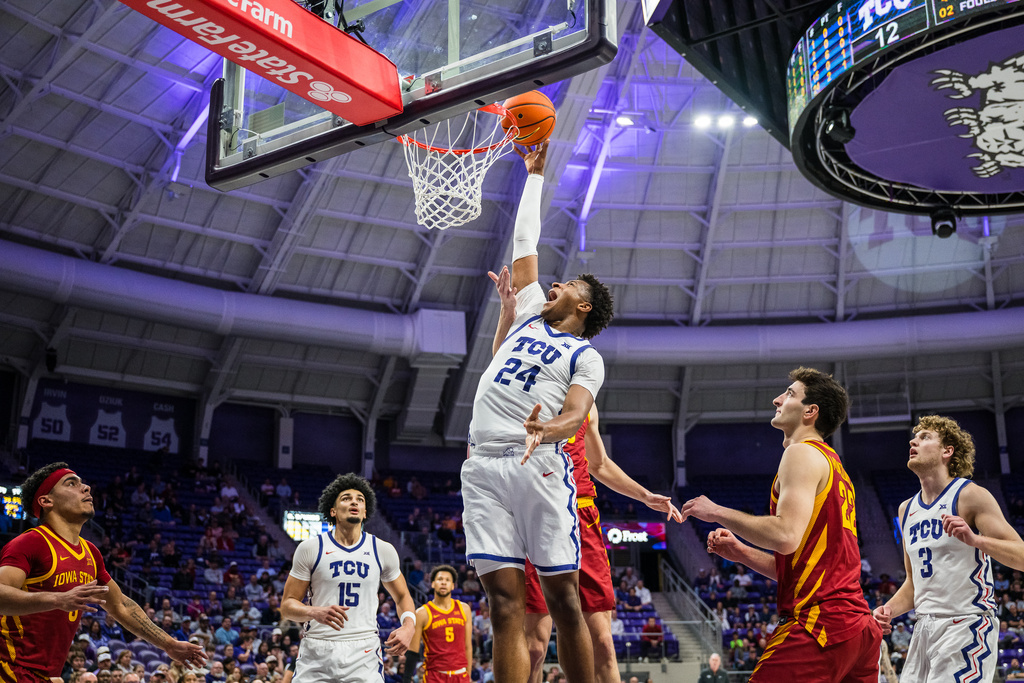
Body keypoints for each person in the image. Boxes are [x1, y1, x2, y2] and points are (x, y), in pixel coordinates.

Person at [461, 142, 615, 683]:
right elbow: (524, 240)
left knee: (564, 601)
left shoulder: (585, 355)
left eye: (566, 284)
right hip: (483, 467)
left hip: (541, 465)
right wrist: (534, 174)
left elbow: (576, 415)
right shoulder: (526, 313)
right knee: (504, 607)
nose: (553, 283)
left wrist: (546, 427)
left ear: (584, 305)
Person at [490, 294, 681, 683]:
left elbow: (600, 465)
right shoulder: (531, 379)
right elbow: (499, 365)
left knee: (603, 644)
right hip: (537, 508)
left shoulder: (585, 402)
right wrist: (506, 317)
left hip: (581, 512)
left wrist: (645, 496)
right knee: (534, 645)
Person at [681, 367, 881, 682]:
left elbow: (785, 536)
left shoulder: (801, 453)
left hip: (820, 623)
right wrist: (743, 553)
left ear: (810, 412)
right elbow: (801, 566)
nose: (777, 399)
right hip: (858, 629)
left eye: (789, 394)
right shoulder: (836, 467)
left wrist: (717, 510)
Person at [0, 462, 207, 681]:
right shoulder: (31, 543)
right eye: (71, 483)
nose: (86, 487)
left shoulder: (90, 553)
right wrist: (58, 599)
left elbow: (120, 605)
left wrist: (169, 644)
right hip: (8, 668)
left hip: (43, 675)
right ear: (46, 501)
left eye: (83, 483)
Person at [872, 415, 1024, 683]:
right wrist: (888, 610)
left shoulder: (969, 495)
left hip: (966, 623)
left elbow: (1021, 556)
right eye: (915, 437)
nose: (913, 440)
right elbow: (913, 584)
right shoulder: (906, 510)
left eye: (924, 437)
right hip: (923, 630)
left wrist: (977, 541)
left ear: (947, 451)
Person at [280, 473, 415, 683]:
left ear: (365, 512)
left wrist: (408, 626)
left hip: (364, 649)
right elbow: (287, 606)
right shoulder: (310, 548)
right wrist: (313, 611)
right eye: (346, 498)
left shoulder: (382, 549)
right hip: (318, 647)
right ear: (332, 511)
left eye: (360, 499)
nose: (354, 501)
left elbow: (402, 596)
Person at [404, 565, 472, 683]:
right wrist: (406, 679)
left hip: (460, 675)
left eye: (447, 580)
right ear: (433, 584)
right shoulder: (422, 613)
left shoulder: (464, 609)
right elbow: (413, 651)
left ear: (453, 585)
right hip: (435, 676)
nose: (443, 583)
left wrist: (469, 676)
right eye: (440, 579)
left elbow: (468, 647)